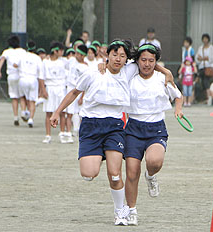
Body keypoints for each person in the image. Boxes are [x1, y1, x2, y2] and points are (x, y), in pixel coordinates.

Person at [50, 39, 174, 226]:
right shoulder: (92, 73)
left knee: (115, 174)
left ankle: (120, 212)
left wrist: (167, 72)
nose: (118, 59)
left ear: (127, 59)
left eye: (122, 56)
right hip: (91, 126)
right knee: (88, 174)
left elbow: (148, 62)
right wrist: (57, 112)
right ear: (107, 55)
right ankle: (98, 155)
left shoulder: (129, 70)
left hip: (115, 127)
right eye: (114, 54)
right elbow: (74, 93)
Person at [124, 43, 183, 226]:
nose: (147, 64)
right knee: (132, 173)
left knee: (154, 162)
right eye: (143, 60)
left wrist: (178, 110)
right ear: (137, 61)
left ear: (156, 62)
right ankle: (131, 211)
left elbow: (178, 95)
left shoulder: (162, 78)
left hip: (156, 128)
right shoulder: (129, 76)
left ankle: (150, 176)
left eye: (151, 60)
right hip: (133, 129)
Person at [38, 41, 67, 143]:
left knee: (62, 112)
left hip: (61, 88)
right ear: (55, 51)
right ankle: (48, 135)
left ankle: (62, 134)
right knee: (48, 113)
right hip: (50, 87)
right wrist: (43, 90)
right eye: (60, 50)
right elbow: (41, 77)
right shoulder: (45, 62)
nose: (62, 52)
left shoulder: (64, 61)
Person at [0, 35, 27, 126]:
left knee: (14, 97)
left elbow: (2, 60)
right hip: (21, 75)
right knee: (22, 96)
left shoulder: (7, 52)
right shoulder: (22, 51)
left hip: (11, 76)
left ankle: (15, 117)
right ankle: (23, 112)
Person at [15, 40, 43, 128]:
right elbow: (41, 72)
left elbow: (15, 65)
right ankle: (31, 119)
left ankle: (23, 111)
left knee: (22, 97)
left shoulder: (22, 56)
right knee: (32, 101)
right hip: (33, 79)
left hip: (22, 78)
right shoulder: (37, 58)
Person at [65, 45, 89, 141]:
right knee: (69, 112)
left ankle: (78, 131)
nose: (76, 55)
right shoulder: (71, 61)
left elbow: (86, 84)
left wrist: (82, 97)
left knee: (80, 113)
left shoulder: (86, 67)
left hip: (79, 90)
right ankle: (68, 133)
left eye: (79, 54)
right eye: (76, 53)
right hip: (70, 88)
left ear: (83, 56)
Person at [195, 33, 213, 105]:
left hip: (208, 68)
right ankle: (205, 98)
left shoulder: (211, 47)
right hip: (201, 67)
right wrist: (203, 58)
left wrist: (202, 58)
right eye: (204, 38)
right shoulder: (200, 48)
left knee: (206, 82)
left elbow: (211, 58)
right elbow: (197, 58)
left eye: (206, 38)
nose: (205, 40)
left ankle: (209, 98)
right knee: (202, 82)